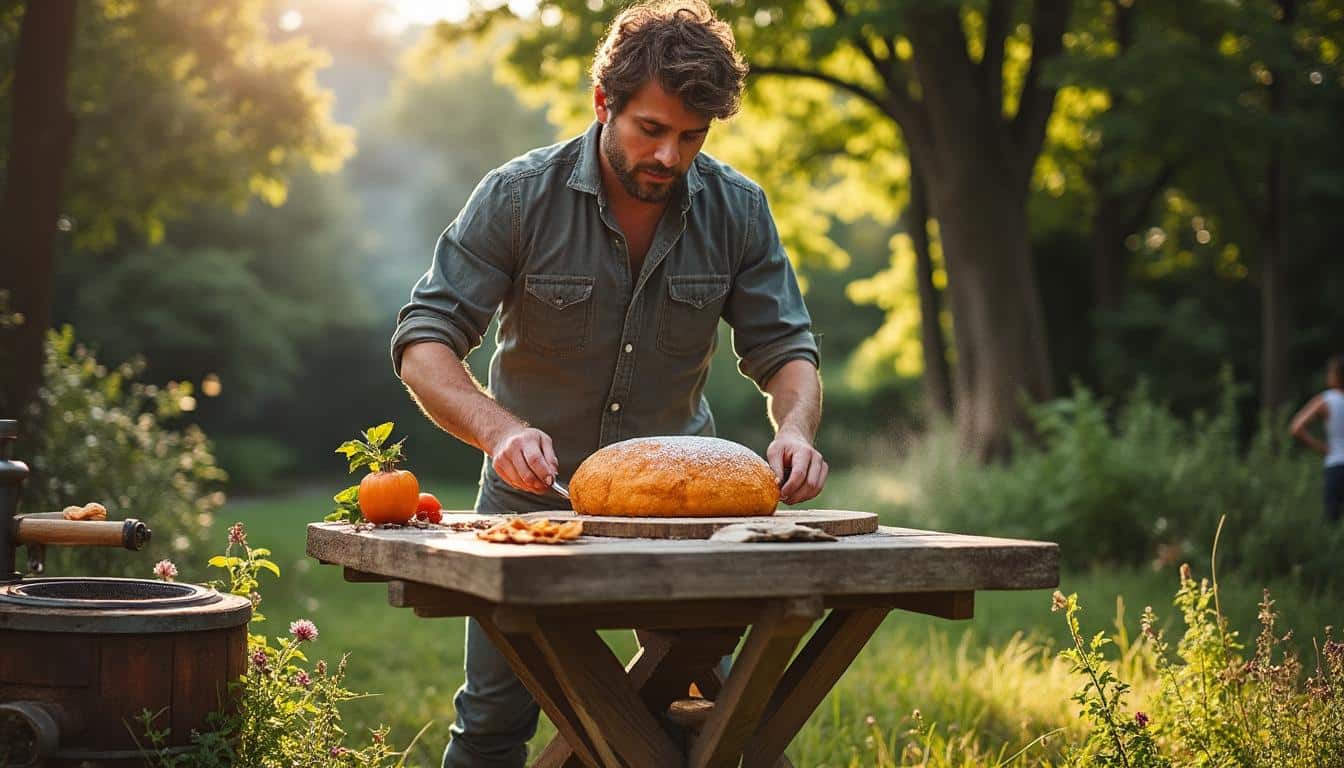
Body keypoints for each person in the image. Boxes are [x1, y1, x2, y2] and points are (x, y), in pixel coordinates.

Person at [390, 2, 828, 765]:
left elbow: (787, 348)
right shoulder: (518, 196)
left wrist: (794, 431)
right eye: (650, 129)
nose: (668, 155)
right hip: (530, 506)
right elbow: (423, 342)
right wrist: (499, 431)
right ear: (604, 102)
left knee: (723, 717)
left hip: (684, 519)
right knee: (493, 724)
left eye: (691, 136)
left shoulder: (738, 208)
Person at [1288, 353, 1344, 523]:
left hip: (1335, 465)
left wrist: (1321, 447)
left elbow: (1296, 428)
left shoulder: (1326, 400)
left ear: (1336, 376)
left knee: (1332, 521)